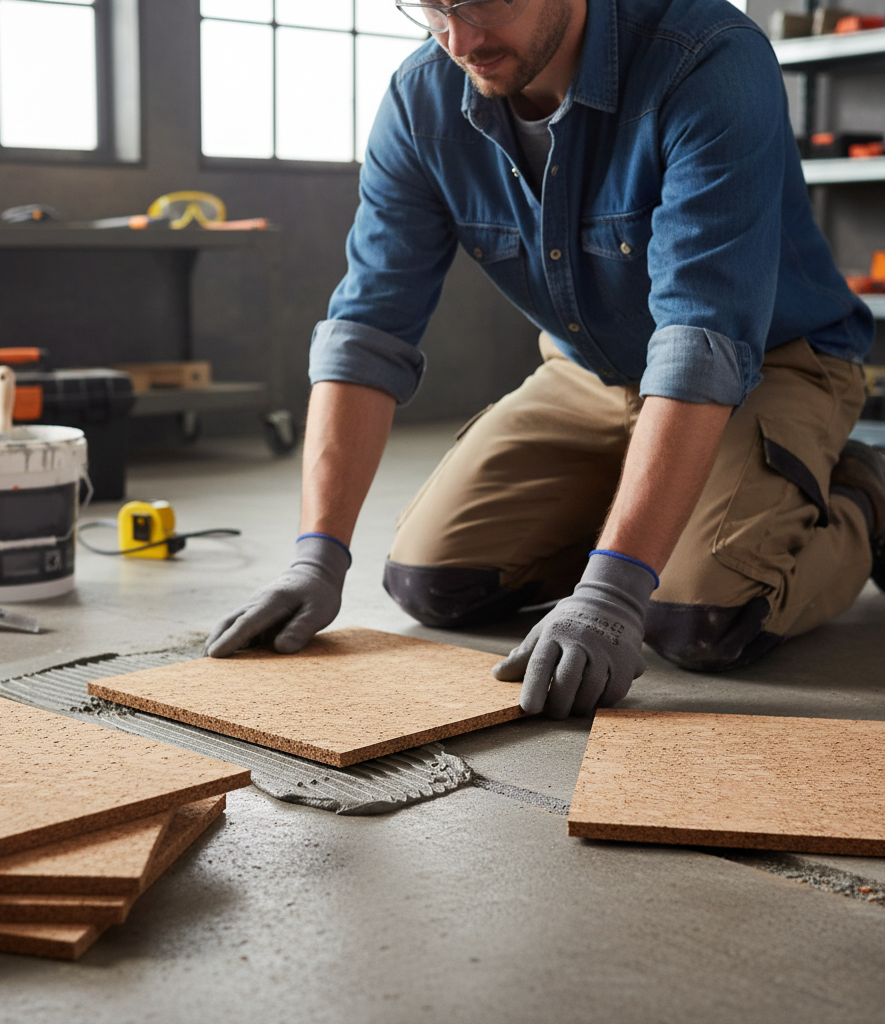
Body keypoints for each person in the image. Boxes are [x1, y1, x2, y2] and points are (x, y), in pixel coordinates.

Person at [205, 0, 885, 719]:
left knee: (700, 617)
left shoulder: (708, 56)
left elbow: (701, 339)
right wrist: (318, 554)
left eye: (483, 4)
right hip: (589, 374)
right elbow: (368, 328)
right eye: (431, 9)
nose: (459, 40)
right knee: (432, 582)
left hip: (768, 366)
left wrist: (614, 589)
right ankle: (655, 510)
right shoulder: (421, 97)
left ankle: (866, 498)